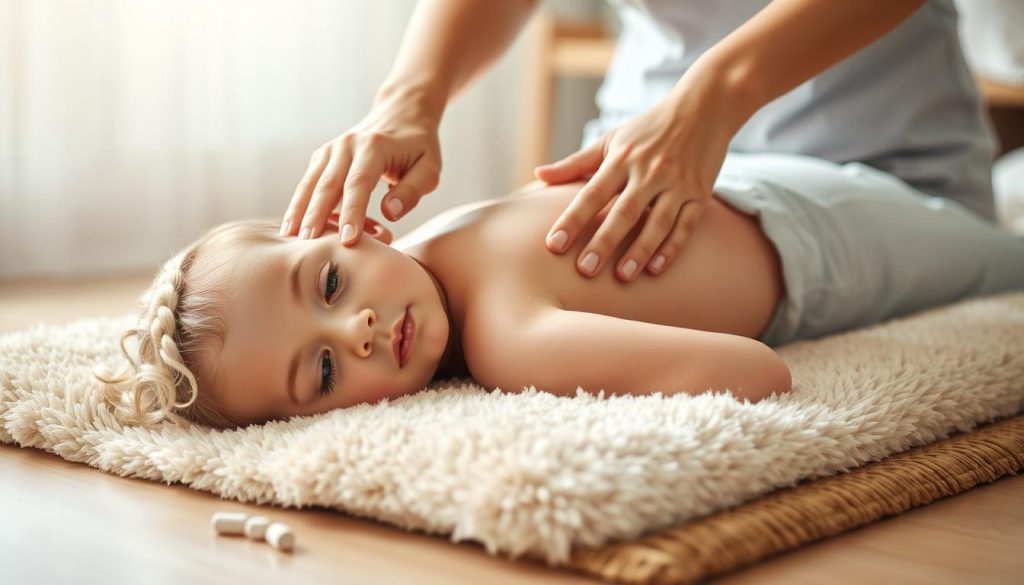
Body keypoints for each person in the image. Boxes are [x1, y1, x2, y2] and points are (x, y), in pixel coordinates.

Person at [96, 153, 1024, 429]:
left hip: (813, 227)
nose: (365, 325)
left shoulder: (498, 327)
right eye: (326, 366)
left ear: (349, 226)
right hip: (786, 207)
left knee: (998, 254)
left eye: (330, 282)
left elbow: (757, 375)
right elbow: (754, 370)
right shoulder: (498, 321)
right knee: (991, 246)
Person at [278, 0, 996, 285]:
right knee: (508, 261)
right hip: (634, 137)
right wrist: (408, 100)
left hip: (877, 160)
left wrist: (708, 101)